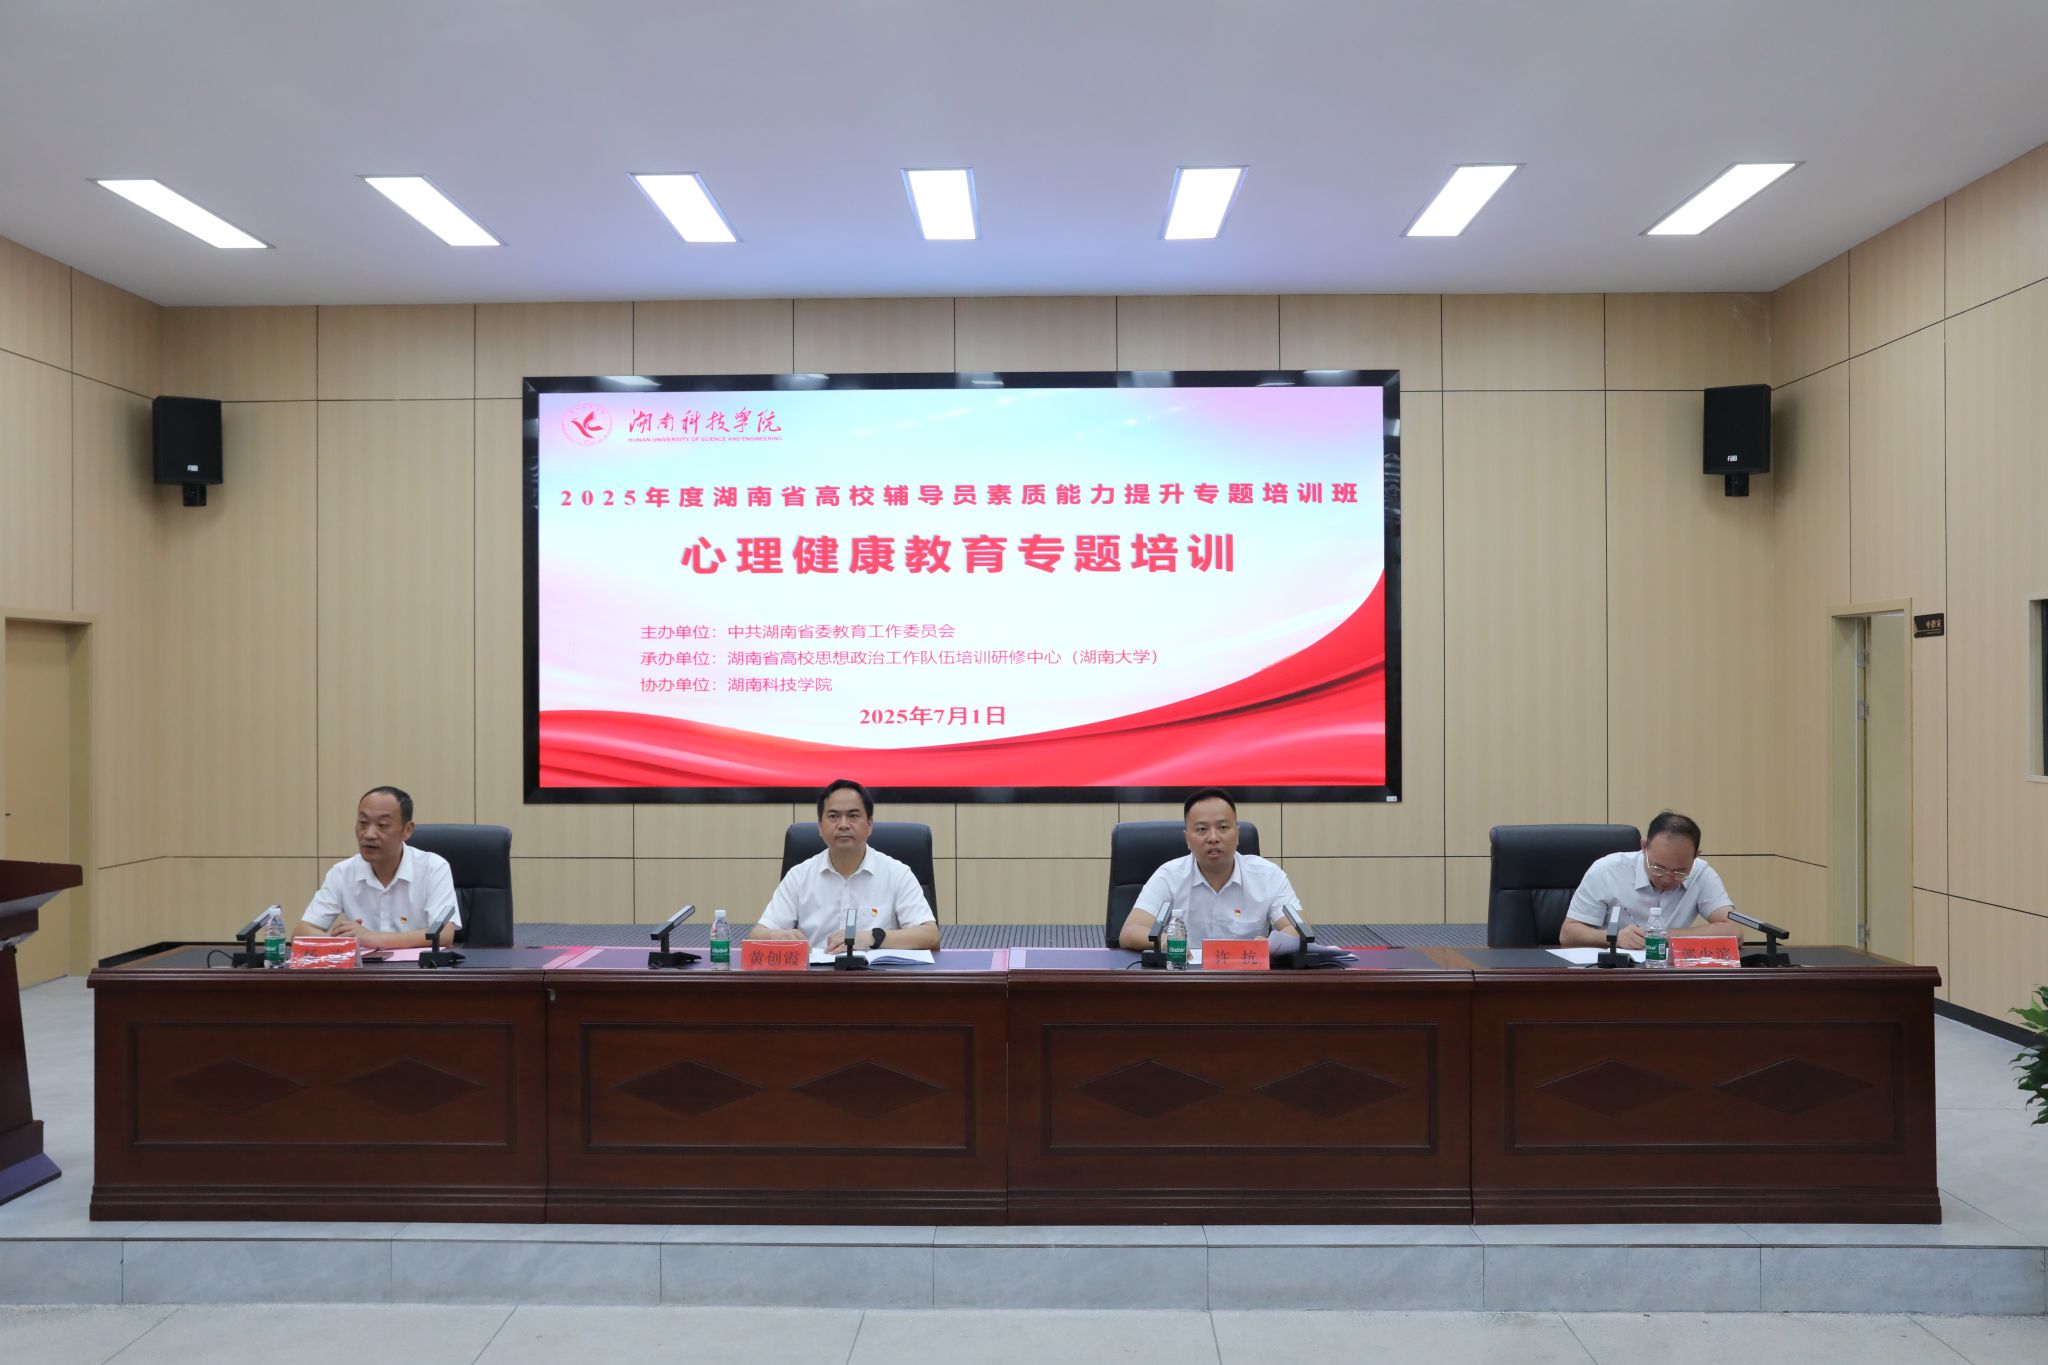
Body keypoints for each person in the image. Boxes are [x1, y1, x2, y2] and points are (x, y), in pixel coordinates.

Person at [751, 778, 940, 954]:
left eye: (853, 816)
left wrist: (872, 937)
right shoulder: (799, 876)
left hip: (877, 976)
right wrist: (777, 936)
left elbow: (930, 935)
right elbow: (757, 935)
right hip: (815, 976)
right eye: (833, 816)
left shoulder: (897, 873)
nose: (843, 825)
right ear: (820, 826)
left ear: (870, 824)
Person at [1117, 788, 1307, 952]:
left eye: (1223, 827)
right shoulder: (1168, 876)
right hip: (1184, 976)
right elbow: (1130, 931)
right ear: (1187, 839)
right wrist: (1167, 940)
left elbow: (1299, 929)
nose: (1213, 837)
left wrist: (1268, 945)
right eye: (1202, 829)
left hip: (1248, 976)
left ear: (1237, 835)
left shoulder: (1268, 876)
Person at [296, 786, 460, 948]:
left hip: (417, 966)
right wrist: (342, 940)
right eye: (363, 823)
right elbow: (301, 932)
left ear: (407, 830)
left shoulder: (433, 868)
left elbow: (444, 934)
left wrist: (371, 938)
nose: (369, 834)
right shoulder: (342, 873)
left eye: (382, 825)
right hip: (363, 966)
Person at [1559, 810, 1741, 949]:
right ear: (1644, 846)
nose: (1667, 879)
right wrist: (1615, 937)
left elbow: (1734, 931)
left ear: (1695, 856)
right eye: (1658, 868)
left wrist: (1661, 936)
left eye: (1679, 871)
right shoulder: (1606, 871)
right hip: (1614, 974)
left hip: (1670, 974)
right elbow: (1568, 934)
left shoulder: (1701, 873)